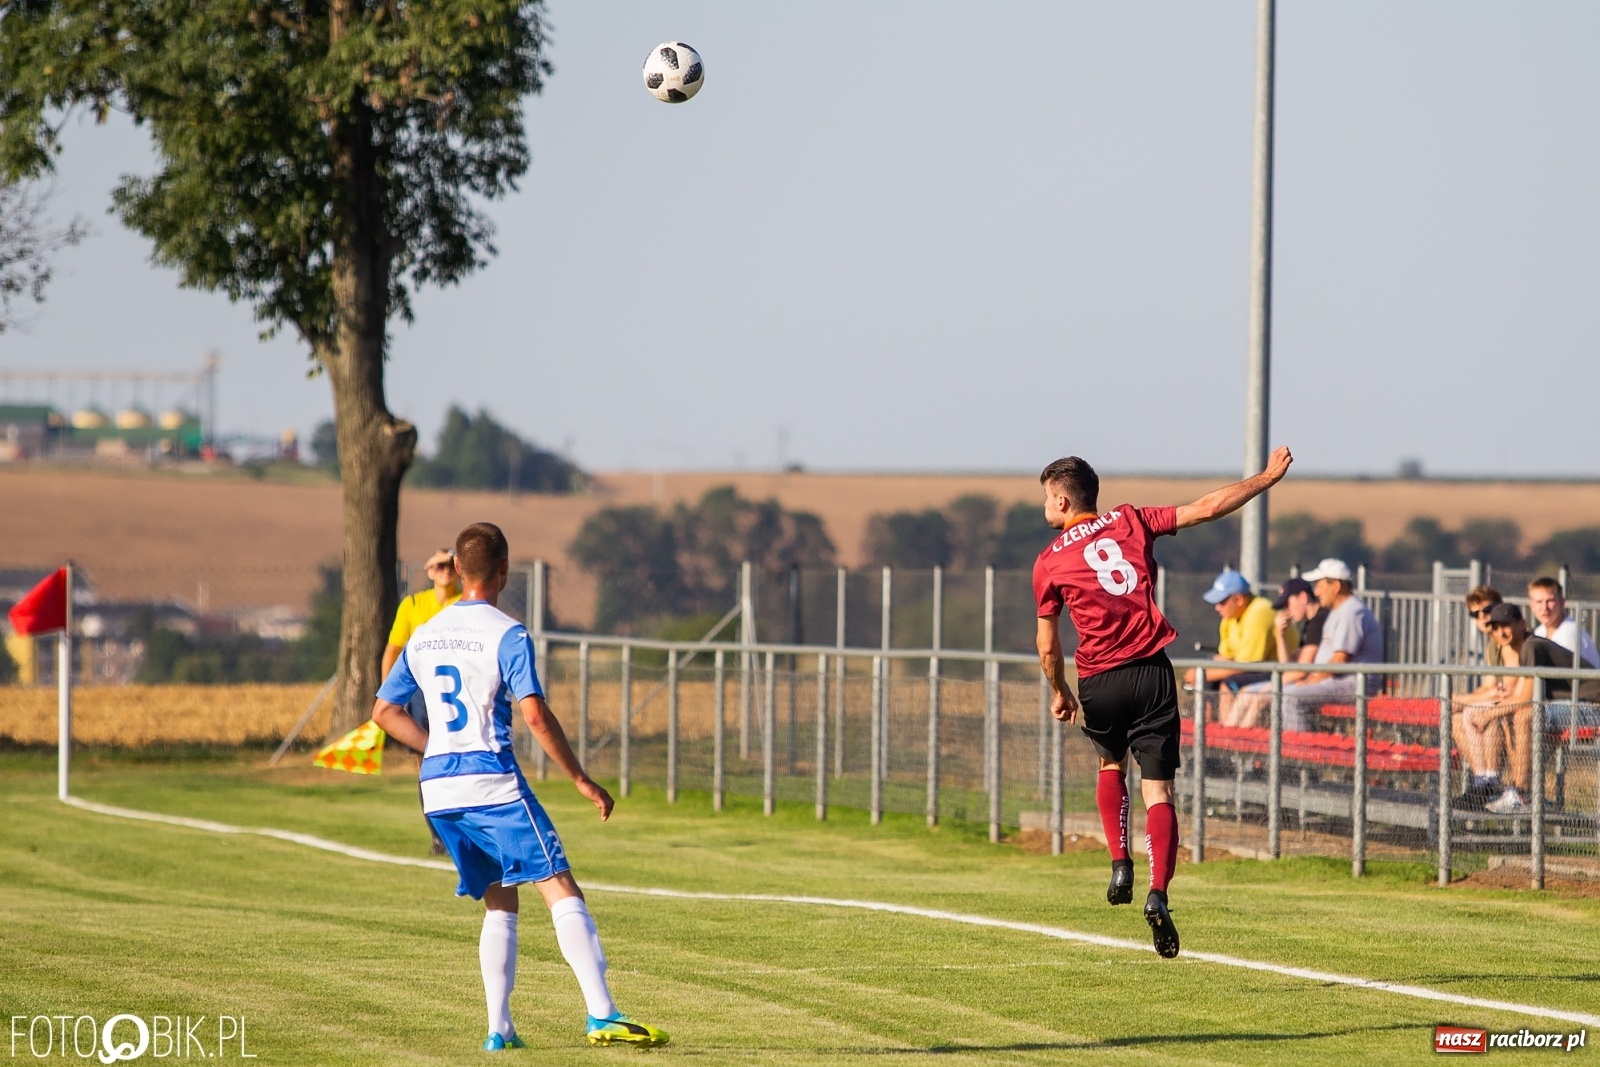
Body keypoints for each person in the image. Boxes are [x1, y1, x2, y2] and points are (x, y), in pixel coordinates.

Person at [371, 522, 668, 1051]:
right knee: (558, 883)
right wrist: (580, 777)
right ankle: (602, 1013)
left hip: (439, 789)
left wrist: (434, 745)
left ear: (458, 570)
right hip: (492, 783)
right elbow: (533, 714)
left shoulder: (424, 634)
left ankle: (499, 1029)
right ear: (505, 570)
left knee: (499, 900)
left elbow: (383, 712)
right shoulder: (507, 633)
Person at [1034, 444, 1293, 959]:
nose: (1044, 507)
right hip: (1152, 672)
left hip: (1099, 679)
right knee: (1160, 791)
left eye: (1045, 498)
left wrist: (1059, 691)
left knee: (1111, 765)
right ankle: (1158, 892)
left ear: (1062, 503)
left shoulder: (1049, 561)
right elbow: (1206, 507)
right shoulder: (1131, 519)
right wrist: (1264, 478)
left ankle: (1118, 861)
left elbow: (1047, 644)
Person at [1460, 602, 1600, 814]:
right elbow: (1518, 696)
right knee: (1511, 714)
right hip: (1568, 706)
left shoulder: (1531, 646)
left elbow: (1525, 699)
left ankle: (1522, 792)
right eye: (1495, 627)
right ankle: (1511, 789)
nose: (1500, 632)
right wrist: (1486, 710)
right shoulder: (1523, 648)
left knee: (1524, 714)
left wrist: (1491, 713)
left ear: (1522, 624)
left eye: (1506, 625)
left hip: (1591, 708)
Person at [383, 549, 462, 856]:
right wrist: (391, 695)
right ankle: (438, 834)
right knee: (426, 762)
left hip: (453, 693)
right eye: (439, 566)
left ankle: (460, 832)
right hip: (420, 693)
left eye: (451, 566)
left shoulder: (464, 604)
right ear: (429, 570)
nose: (445, 571)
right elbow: (394, 649)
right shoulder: (414, 605)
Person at [1278, 559, 1384, 732]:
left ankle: (1301, 754)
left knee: (1290, 697)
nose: (1317, 592)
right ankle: (1293, 750)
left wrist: (1311, 680)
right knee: (1282, 693)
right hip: (1338, 681)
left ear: (1335, 586)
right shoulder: (1340, 611)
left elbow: (1340, 660)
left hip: (1353, 684)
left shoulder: (1352, 611)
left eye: (1320, 586)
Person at [1184, 568, 1296, 721]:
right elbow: (1225, 657)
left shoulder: (1260, 611)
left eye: (1222, 601)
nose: (1217, 607)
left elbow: (1247, 665)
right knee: (1207, 684)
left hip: (1278, 670)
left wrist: (1202, 674)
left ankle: (1227, 739)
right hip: (1255, 667)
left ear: (1239, 600)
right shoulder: (1228, 617)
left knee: (1228, 684)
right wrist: (1204, 672)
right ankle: (1205, 738)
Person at [1222, 577, 1321, 729]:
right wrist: (1279, 635)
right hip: (1303, 680)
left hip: (1319, 683)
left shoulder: (1319, 620)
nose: (1287, 610)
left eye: (1288, 603)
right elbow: (1287, 666)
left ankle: (1239, 743)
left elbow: (1301, 671)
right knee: (1246, 693)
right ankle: (1228, 740)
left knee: (1259, 697)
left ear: (1302, 597)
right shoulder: (1309, 625)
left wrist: (1272, 685)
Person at [1451, 586, 1512, 807]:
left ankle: (1490, 781)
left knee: (1476, 713)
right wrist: (1459, 701)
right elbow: (1488, 686)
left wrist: (1464, 701)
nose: (1483, 616)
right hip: (1504, 703)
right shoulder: (1491, 644)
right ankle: (1480, 783)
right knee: (1457, 718)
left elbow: (1499, 692)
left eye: (1487, 609)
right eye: (1476, 614)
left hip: (1521, 706)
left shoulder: (1508, 636)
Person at [1527, 577, 1599, 669]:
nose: (1544, 607)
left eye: (1550, 601)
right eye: (1539, 602)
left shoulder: (1570, 634)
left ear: (1562, 602)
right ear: (1532, 606)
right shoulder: (1539, 632)